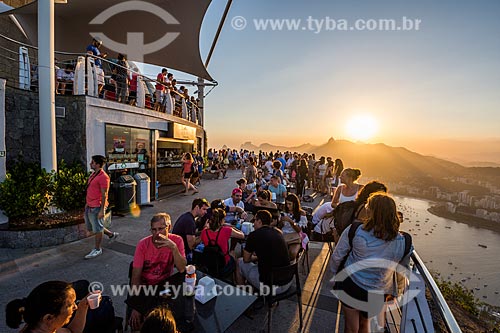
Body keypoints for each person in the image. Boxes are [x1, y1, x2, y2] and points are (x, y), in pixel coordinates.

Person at [331, 193, 412, 333]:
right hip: (378, 291)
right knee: (365, 325)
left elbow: (337, 257)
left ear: (371, 211)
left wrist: (334, 277)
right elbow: (402, 270)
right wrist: (396, 292)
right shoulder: (404, 241)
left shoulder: (355, 230)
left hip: (351, 284)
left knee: (351, 327)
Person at [130, 213, 186, 330]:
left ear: (169, 227)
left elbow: (182, 268)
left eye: (161, 229)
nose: (157, 233)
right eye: (154, 230)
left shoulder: (176, 241)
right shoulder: (143, 244)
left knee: (177, 316)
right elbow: (135, 277)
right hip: (146, 288)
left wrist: (174, 248)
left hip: (164, 285)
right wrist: (136, 305)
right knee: (144, 323)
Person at [235, 210, 292, 293]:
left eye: (254, 220)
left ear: (259, 221)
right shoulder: (278, 232)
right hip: (287, 280)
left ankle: (243, 295)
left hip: (271, 286)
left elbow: (246, 259)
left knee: (239, 262)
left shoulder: (253, 235)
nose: (253, 223)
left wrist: (255, 257)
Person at [6, 281, 89, 333]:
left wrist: (83, 306)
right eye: (70, 305)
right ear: (49, 318)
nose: (75, 307)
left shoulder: (42, 326)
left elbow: (71, 331)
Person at [84, 155, 118, 259]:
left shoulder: (104, 177)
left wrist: (102, 210)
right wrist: (86, 203)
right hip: (89, 205)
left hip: (97, 206)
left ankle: (97, 249)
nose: (90, 163)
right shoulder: (94, 174)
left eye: (92, 162)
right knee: (94, 226)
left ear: (98, 164)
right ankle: (111, 235)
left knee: (97, 229)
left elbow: (104, 195)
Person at [200, 208, 244, 276]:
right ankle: (234, 278)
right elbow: (242, 236)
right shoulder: (226, 230)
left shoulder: (204, 232)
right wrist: (232, 227)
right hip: (224, 265)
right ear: (221, 221)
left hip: (209, 263)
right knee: (233, 257)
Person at [171, 198, 209, 263]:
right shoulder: (190, 222)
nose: (206, 212)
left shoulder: (187, 216)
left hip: (178, 250)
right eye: (204, 209)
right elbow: (192, 245)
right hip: (183, 253)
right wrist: (204, 232)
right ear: (197, 207)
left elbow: (192, 234)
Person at [280, 193, 309, 259]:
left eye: (290, 204)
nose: (288, 206)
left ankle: (292, 267)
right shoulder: (284, 212)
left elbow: (299, 230)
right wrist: (281, 221)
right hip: (284, 235)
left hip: (295, 236)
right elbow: (279, 227)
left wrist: (290, 221)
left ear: (295, 204)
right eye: (286, 204)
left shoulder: (301, 213)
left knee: (292, 253)